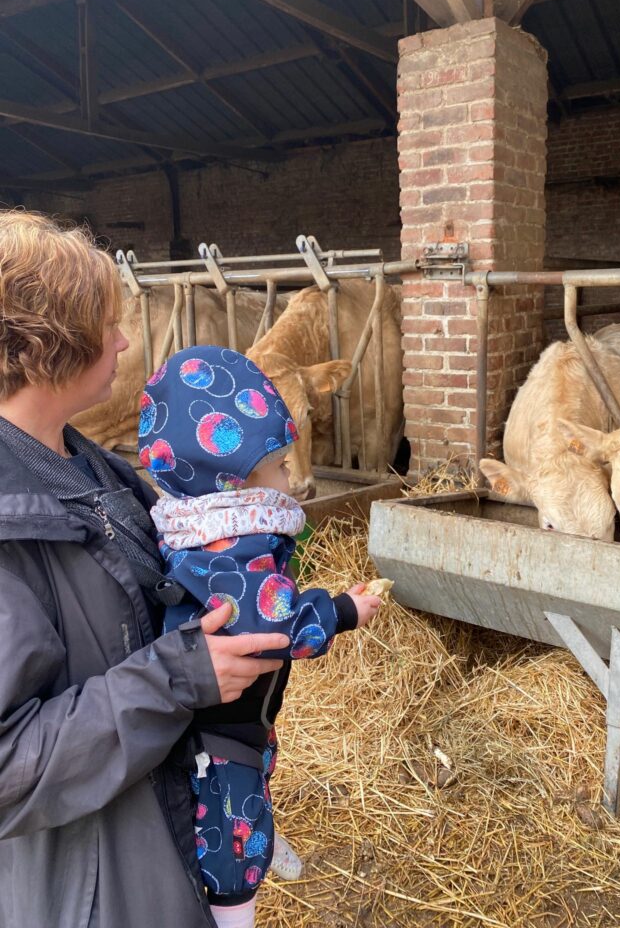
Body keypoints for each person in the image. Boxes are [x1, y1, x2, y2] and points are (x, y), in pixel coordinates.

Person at [0, 210, 293, 928]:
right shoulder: (9, 520)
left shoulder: (96, 470)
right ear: (49, 344)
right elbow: (9, 766)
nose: (125, 340)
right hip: (90, 890)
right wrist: (183, 677)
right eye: (107, 322)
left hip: (157, 847)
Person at [139, 345, 382, 928]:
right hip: (226, 741)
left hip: (213, 728)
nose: (289, 478)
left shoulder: (194, 525)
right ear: (237, 479)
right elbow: (278, 631)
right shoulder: (238, 548)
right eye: (278, 466)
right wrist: (344, 609)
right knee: (234, 847)